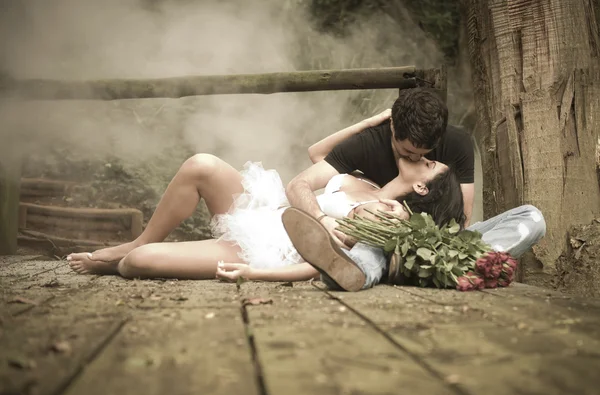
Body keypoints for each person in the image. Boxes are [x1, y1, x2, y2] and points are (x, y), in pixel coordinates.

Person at [281, 87, 546, 291]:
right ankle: (368, 270)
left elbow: (460, 223)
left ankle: (465, 265)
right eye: (407, 152)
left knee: (532, 217)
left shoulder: (457, 145)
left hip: (443, 243)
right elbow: (308, 173)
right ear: (393, 127)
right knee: (378, 243)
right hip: (391, 244)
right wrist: (324, 221)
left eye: (427, 155)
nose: (417, 159)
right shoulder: (370, 143)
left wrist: (418, 233)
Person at [66, 150, 465, 282]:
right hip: (267, 209)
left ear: (422, 189)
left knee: (137, 265)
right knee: (201, 164)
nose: (425, 158)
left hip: (270, 247)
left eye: (430, 166)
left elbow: (332, 264)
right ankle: (136, 239)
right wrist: (373, 121)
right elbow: (317, 150)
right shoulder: (367, 183)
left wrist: (257, 275)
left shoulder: (392, 219)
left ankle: (126, 256)